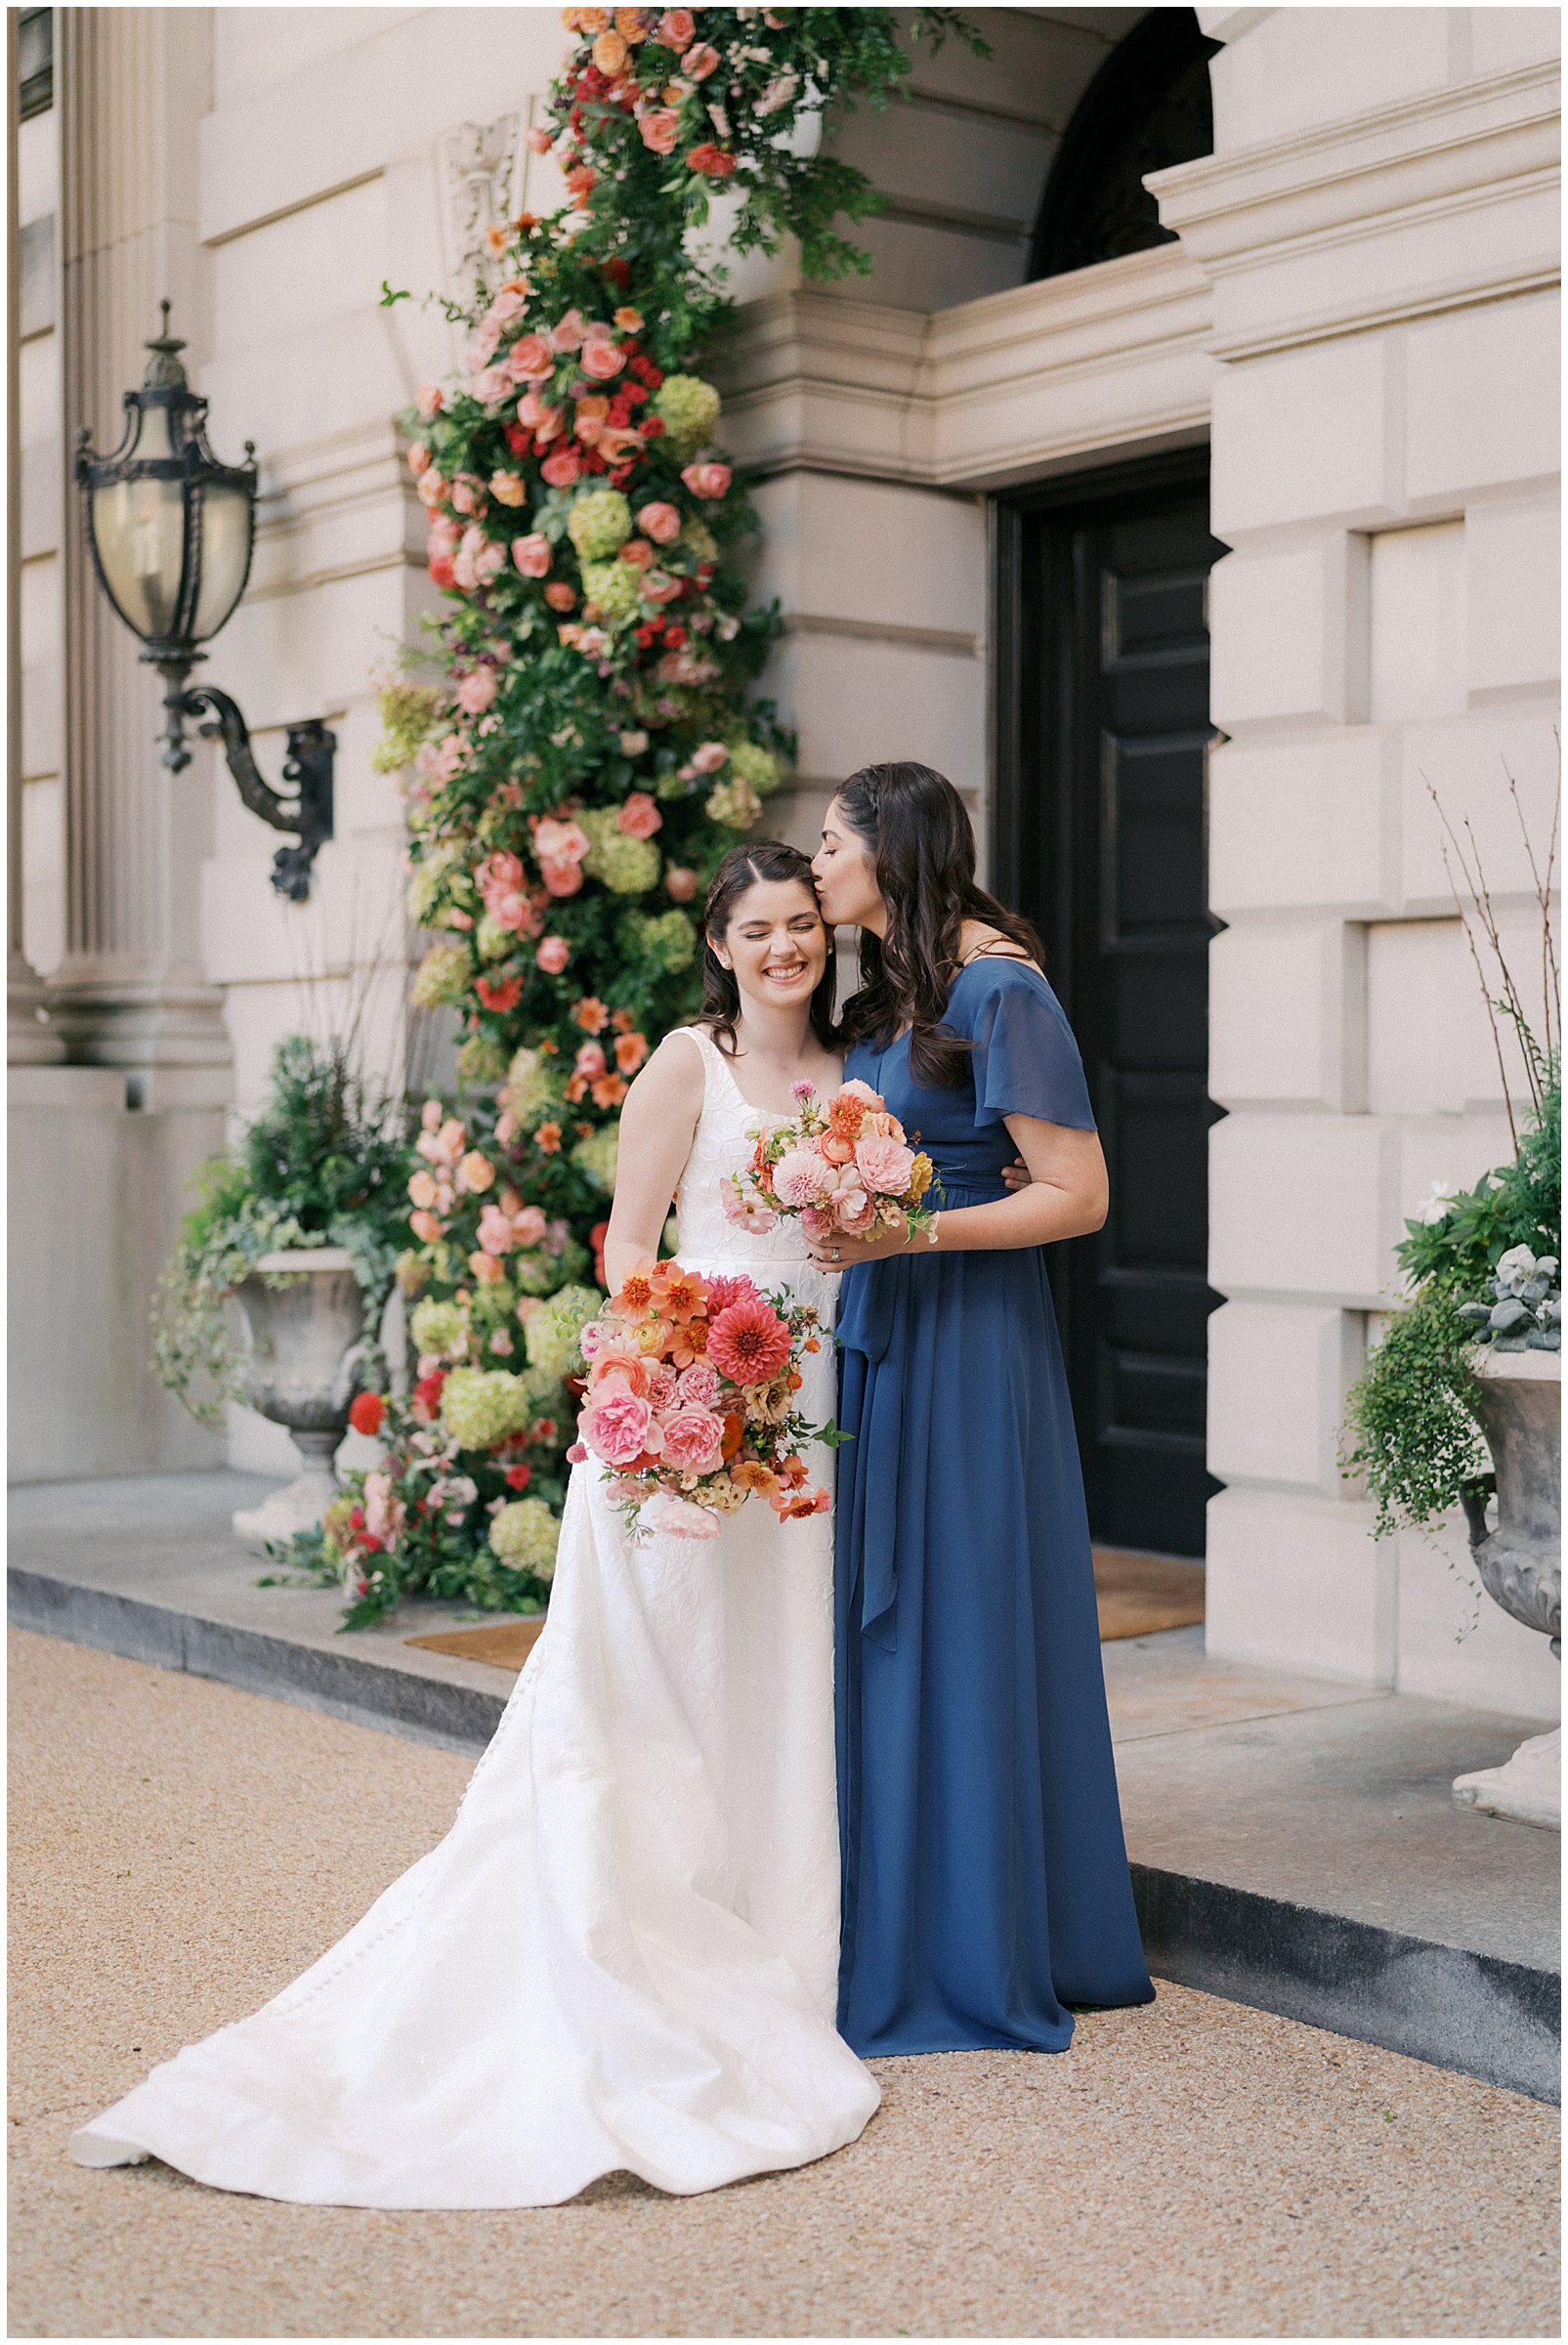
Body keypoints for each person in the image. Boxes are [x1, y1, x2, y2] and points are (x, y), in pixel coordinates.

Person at [67, 841, 879, 2208]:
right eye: (760, 927)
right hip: (700, 1400)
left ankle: (785, 1945)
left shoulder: (851, 1068)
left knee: (780, 1667)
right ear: (721, 945)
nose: (787, 945)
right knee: (668, 1679)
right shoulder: (692, 1062)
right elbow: (625, 1243)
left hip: (817, 1411)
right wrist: (680, 1358)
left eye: (802, 922)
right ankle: (644, 1947)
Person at [809, 760, 1155, 2058]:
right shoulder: (895, 993)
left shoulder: (999, 986)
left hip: (966, 1342)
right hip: (883, 1334)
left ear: (890, 851)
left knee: (959, 1616)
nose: (819, 864)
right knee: (884, 1630)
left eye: (832, 843)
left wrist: (914, 1233)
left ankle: (971, 1941)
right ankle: (885, 1916)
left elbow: (1078, 1194)